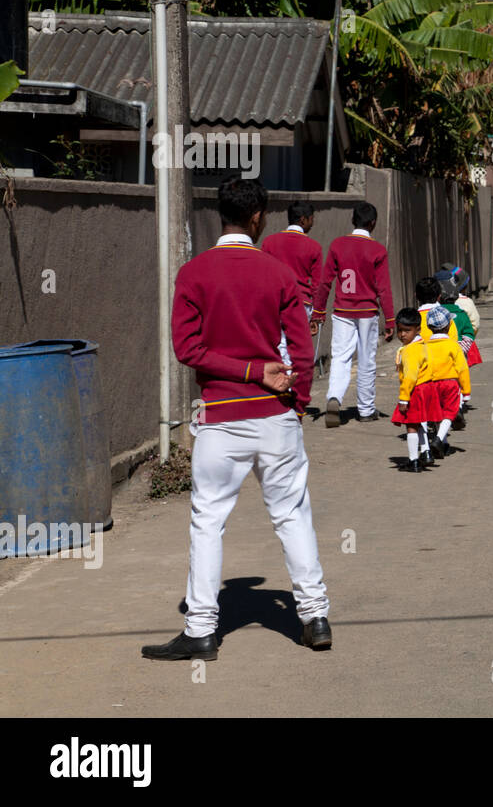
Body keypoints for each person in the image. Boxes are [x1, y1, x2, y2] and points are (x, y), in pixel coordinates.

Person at [144, 177, 329, 661]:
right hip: (275, 417)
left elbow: (188, 350)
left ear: (219, 215)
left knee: (208, 522)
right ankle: (314, 617)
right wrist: (299, 399)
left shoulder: (194, 273)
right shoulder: (278, 273)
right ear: (257, 217)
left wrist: (242, 371)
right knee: (292, 515)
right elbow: (302, 348)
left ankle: (202, 629)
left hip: (220, 419)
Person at [313, 202, 395, 427]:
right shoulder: (377, 250)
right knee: (367, 359)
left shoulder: (338, 245)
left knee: (340, 356)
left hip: (342, 310)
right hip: (367, 311)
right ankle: (366, 409)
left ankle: (334, 397)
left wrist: (318, 311)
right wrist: (390, 319)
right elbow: (384, 288)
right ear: (373, 223)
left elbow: (325, 281)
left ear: (353, 220)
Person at [263, 201, 324, 367]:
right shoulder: (314, 247)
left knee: (279, 344)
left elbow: (262, 275)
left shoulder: (269, 243)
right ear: (303, 220)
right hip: (300, 303)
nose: (313, 223)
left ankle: (281, 381)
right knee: (297, 346)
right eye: (312, 219)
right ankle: (291, 383)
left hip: (274, 301)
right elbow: (317, 284)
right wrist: (318, 314)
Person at [417, 304, 471, 461]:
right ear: (448, 326)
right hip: (449, 383)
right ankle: (439, 439)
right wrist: (466, 392)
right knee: (450, 412)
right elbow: (462, 369)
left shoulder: (424, 347)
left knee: (436, 414)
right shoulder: (453, 346)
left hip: (430, 384)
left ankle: (440, 444)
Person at [391, 308, 434, 472]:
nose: (402, 334)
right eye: (400, 330)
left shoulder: (409, 351)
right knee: (420, 422)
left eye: (407, 331)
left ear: (418, 329)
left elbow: (410, 376)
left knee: (411, 426)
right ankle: (426, 451)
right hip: (426, 387)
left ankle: (413, 460)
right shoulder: (421, 345)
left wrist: (404, 398)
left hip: (415, 390)